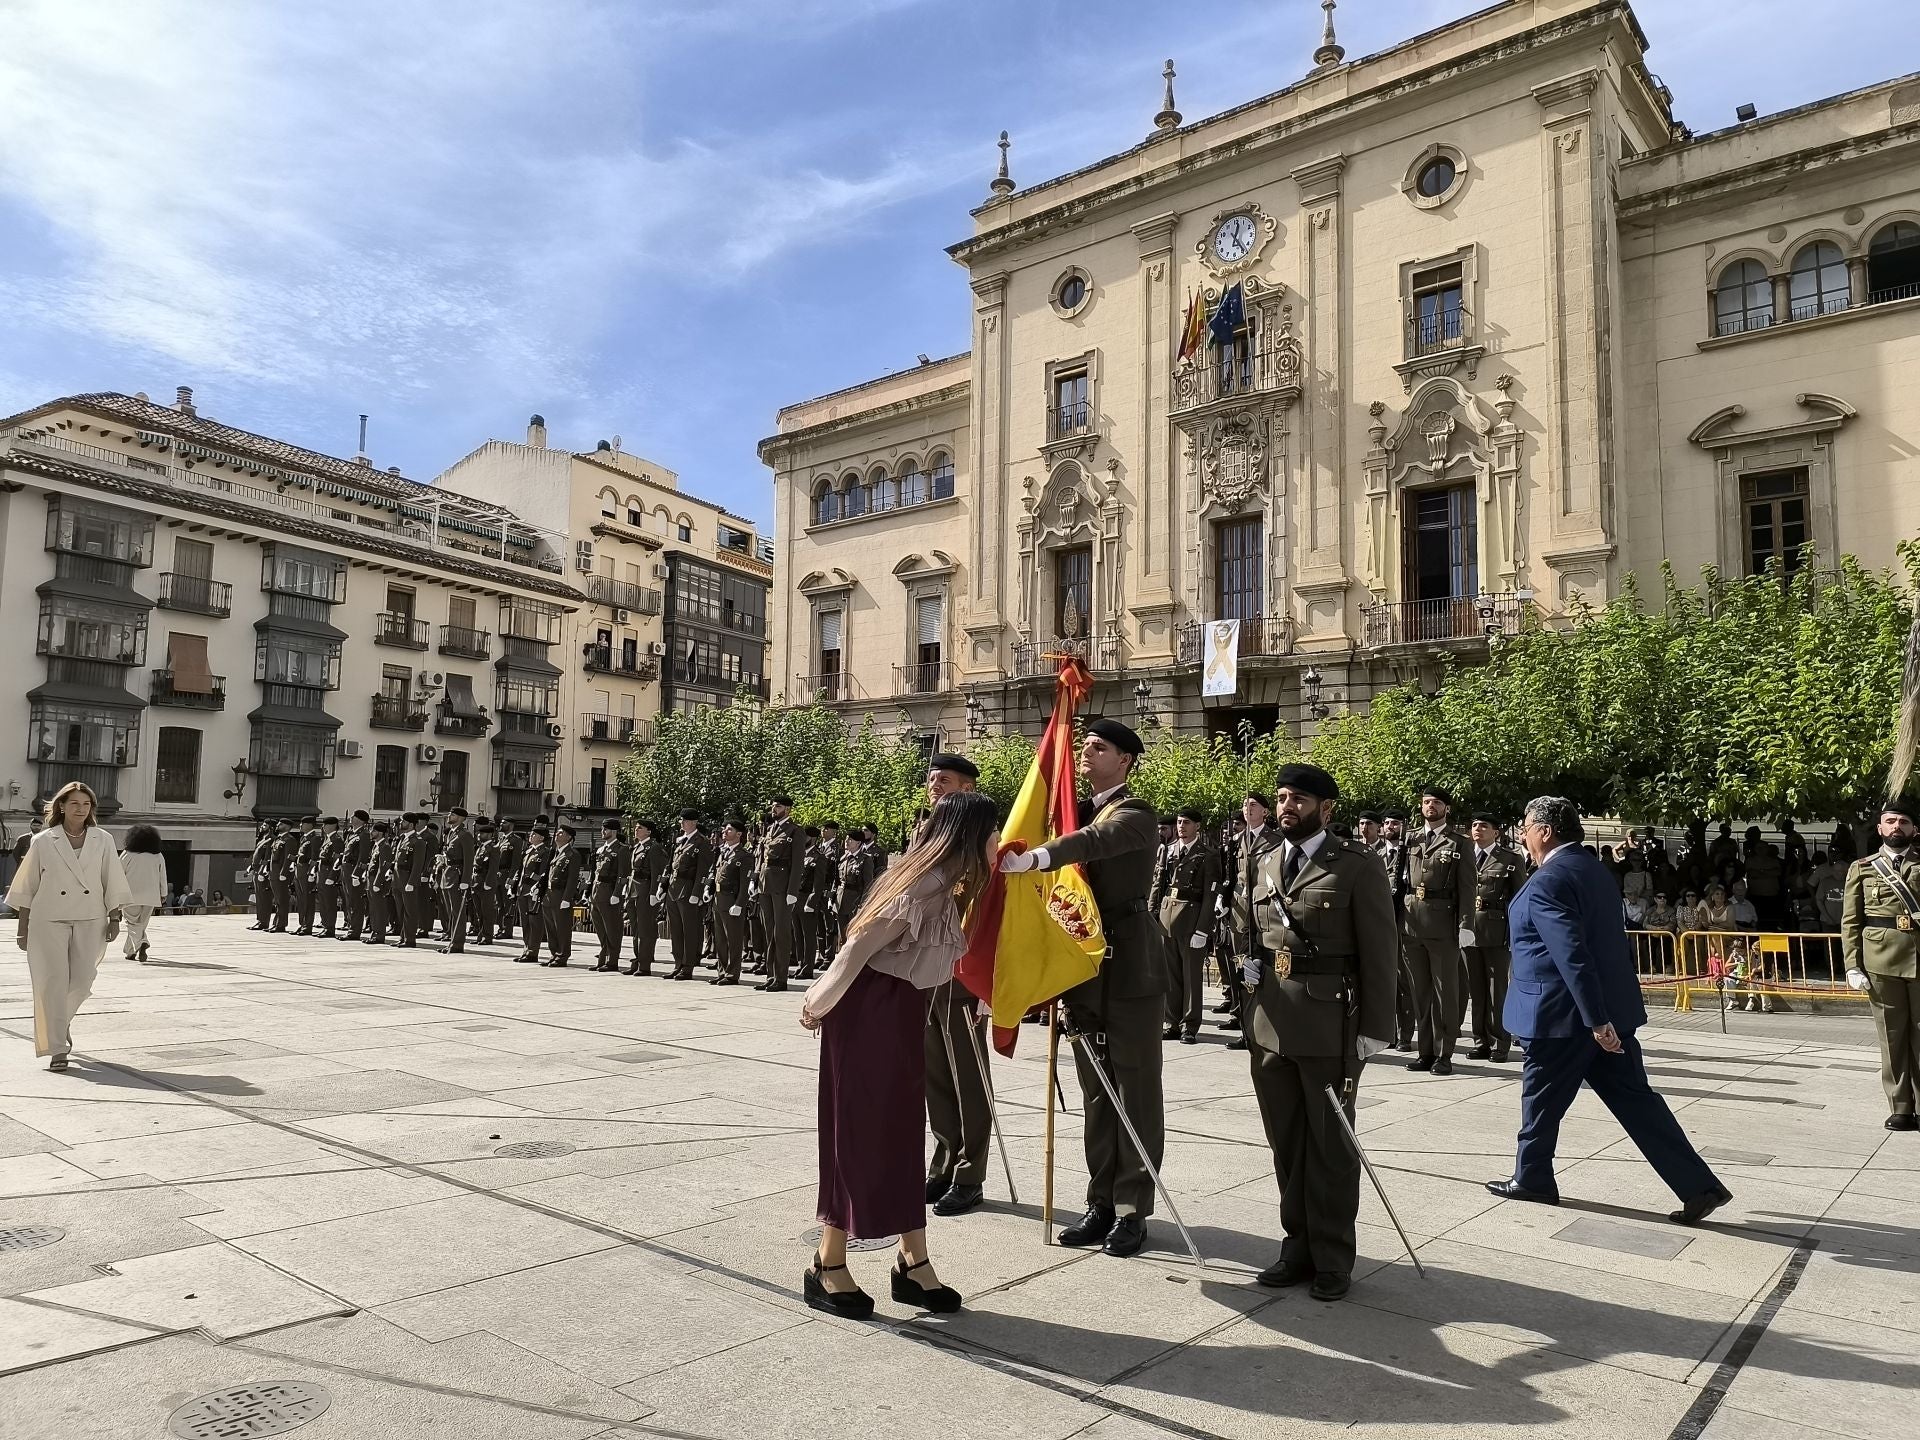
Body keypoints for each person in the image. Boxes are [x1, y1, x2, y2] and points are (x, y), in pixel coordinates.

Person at [799, 790, 997, 1319]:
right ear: (972, 835)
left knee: (900, 1130)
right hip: (867, 1013)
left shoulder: (945, 884)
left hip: (898, 1012)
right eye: (993, 830)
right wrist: (818, 1000)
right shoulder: (922, 884)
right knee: (856, 1132)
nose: (997, 840)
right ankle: (828, 1262)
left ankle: (913, 1261)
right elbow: (857, 946)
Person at [1487, 796, 1732, 1224]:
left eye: (1525, 825)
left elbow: (1571, 953)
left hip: (1563, 1016)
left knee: (1540, 1102)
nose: (1522, 833)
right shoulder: (1590, 868)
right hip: (1600, 1012)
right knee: (1638, 1101)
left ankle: (1533, 1178)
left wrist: (1596, 1019)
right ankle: (1699, 1186)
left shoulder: (1549, 879)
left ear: (1545, 831)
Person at [999, 717, 1164, 1258]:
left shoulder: (1135, 813)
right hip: (1083, 970)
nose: (1085, 754)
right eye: (1083, 745)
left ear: (1126, 761)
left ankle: (1131, 1208)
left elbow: (1097, 843)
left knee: (1134, 1090)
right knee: (1097, 1093)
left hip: (1129, 970)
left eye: (1098, 748)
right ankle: (1099, 1200)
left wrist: (1039, 856)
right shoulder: (1070, 814)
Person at [1243, 764, 1397, 1301]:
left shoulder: (1356, 864)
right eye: (1282, 797)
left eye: (1300, 799)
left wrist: (1376, 1027)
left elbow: (1381, 950)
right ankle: (1297, 1247)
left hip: (1329, 1023)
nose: (1287, 806)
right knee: (1286, 1143)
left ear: (1326, 809)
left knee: (1330, 1146)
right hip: (1270, 1025)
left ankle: (1332, 1257)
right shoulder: (1262, 862)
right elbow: (1253, 942)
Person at [6, 782, 130, 1070]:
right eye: (75, 803)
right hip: (47, 918)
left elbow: (111, 878)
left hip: (91, 916)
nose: (81, 809)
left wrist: (114, 918)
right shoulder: (43, 840)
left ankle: (61, 1024)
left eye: (86, 804)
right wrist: (22, 928)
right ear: (61, 806)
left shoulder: (103, 839)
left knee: (83, 981)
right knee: (51, 983)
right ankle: (58, 1048)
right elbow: (27, 886)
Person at [919, 753, 995, 1218]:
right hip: (926, 973)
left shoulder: (985, 843)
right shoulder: (925, 834)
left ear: (967, 789)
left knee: (969, 1076)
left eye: (943, 781)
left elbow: (992, 917)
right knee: (935, 1076)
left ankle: (970, 1173)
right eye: (930, 780)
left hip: (964, 975)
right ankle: (942, 1162)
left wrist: (991, 986)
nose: (934, 787)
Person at [1841, 798, 1920, 1131]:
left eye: (1903, 821)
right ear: (1879, 828)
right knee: (1891, 1036)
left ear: (1914, 829)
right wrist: (1851, 966)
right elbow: (1851, 921)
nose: (1896, 826)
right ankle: (1901, 1106)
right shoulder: (1863, 867)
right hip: (1880, 961)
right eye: (1890, 821)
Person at [1403, 786, 1474, 1076]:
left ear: (1447, 809)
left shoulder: (1459, 842)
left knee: (1445, 993)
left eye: (1435, 803)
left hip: (1443, 926)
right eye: (1426, 802)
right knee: (1420, 993)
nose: (1430, 806)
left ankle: (1444, 1054)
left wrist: (1466, 924)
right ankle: (1425, 1051)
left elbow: (1468, 887)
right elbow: (1399, 880)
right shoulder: (1412, 838)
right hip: (1411, 924)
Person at [1463, 812, 1528, 1063]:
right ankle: (1481, 1041)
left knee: (1496, 990)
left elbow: (1518, 898)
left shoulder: (1509, 859)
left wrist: (1514, 934)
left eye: (1484, 825)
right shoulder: (1465, 855)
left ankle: (1501, 1041)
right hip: (1470, 931)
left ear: (1496, 832)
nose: (1477, 829)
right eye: (1475, 825)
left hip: (1497, 932)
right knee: (1476, 990)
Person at [1223, 792, 1282, 1051]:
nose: (1247, 809)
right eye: (1244, 805)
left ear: (1266, 812)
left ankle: (1265, 1028)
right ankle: (1245, 1027)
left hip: (1264, 911)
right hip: (1240, 911)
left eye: (1253, 805)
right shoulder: (1237, 840)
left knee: (1264, 969)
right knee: (1241, 968)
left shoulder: (1275, 839)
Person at [1156, 807, 1220, 1045]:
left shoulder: (1207, 854)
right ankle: (1170, 1022)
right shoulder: (1168, 851)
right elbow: (1158, 884)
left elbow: (1210, 894)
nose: (1181, 826)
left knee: (1191, 976)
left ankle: (1189, 1026)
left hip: (1191, 918)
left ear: (1197, 827)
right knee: (1170, 975)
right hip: (1167, 916)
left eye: (1187, 823)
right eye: (1180, 822)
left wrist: (1203, 929)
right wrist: (1153, 917)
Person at [755, 797, 801, 992]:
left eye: (779, 806)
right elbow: (761, 857)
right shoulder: (770, 829)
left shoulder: (795, 831)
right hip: (766, 884)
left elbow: (798, 863)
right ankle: (770, 974)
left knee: (780, 932)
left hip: (782, 887)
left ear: (788, 809)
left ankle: (781, 977)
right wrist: (755, 880)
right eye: (773, 806)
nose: (774, 809)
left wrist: (792, 890)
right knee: (768, 930)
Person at [667, 811, 711, 979]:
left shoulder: (701, 842)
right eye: (681, 820)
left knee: (689, 930)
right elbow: (671, 865)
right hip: (674, 889)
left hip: (688, 889)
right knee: (676, 930)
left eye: (685, 820)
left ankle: (688, 966)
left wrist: (697, 892)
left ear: (693, 822)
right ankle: (678, 963)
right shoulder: (680, 841)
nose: (682, 823)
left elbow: (702, 870)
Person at [118, 824, 169, 964]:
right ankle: (130, 952)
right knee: (141, 924)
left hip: (130, 895)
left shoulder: (127, 854)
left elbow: (118, 874)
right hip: (152, 896)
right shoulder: (158, 856)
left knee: (132, 923)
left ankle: (142, 942)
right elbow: (162, 876)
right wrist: (163, 893)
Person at [625, 818, 668, 976]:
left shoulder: (654, 848)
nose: (636, 830)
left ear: (649, 831)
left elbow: (658, 872)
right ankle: (638, 959)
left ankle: (644, 964)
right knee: (636, 929)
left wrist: (654, 893)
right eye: (636, 827)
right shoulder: (637, 847)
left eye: (640, 828)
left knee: (646, 929)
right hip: (634, 891)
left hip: (645, 891)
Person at [711, 819, 750, 984]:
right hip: (718, 899)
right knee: (720, 939)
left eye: (729, 830)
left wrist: (740, 903)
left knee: (733, 939)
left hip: (732, 899)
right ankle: (722, 971)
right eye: (724, 830)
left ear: (739, 834)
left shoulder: (744, 856)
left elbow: (745, 883)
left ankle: (732, 974)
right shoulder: (722, 852)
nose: (725, 833)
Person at [589, 818, 629, 971]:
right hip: (597, 892)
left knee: (612, 928)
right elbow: (595, 873)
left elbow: (623, 874)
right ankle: (603, 958)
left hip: (609, 891)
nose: (602, 832)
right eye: (602, 829)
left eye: (605, 829)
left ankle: (612, 961)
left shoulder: (622, 849)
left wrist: (617, 893)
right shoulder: (601, 849)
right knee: (600, 928)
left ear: (613, 831)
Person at [542, 821, 583, 967]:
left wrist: (567, 898)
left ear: (569, 838)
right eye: (558, 832)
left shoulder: (572, 854)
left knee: (562, 927)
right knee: (551, 927)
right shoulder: (555, 853)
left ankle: (562, 955)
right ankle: (554, 954)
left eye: (561, 833)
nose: (557, 835)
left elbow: (572, 879)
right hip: (549, 894)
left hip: (561, 894)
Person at [438, 808, 478, 954]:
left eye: (453, 814)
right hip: (448, 874)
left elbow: (469, 859)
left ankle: (457, 943)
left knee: (458, 912)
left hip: (457, 876)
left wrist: (465, 880)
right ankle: (452, 940)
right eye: (449, 813)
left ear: (461, 818)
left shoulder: (465, 835)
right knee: (451, 912)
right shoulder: (451, 833)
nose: (449, 816)